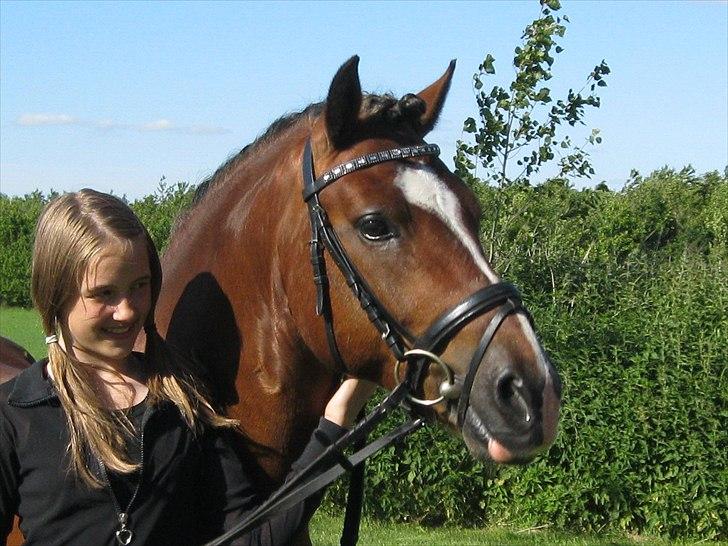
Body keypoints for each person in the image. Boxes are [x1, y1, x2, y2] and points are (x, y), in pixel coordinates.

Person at [0, 189, 375, 545]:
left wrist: (336, 421)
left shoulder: (185, 404)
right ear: (54, 293)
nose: (128, 310)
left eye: (139, 286)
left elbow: (252, 539)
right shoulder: (15, 415)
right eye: (104, 293)